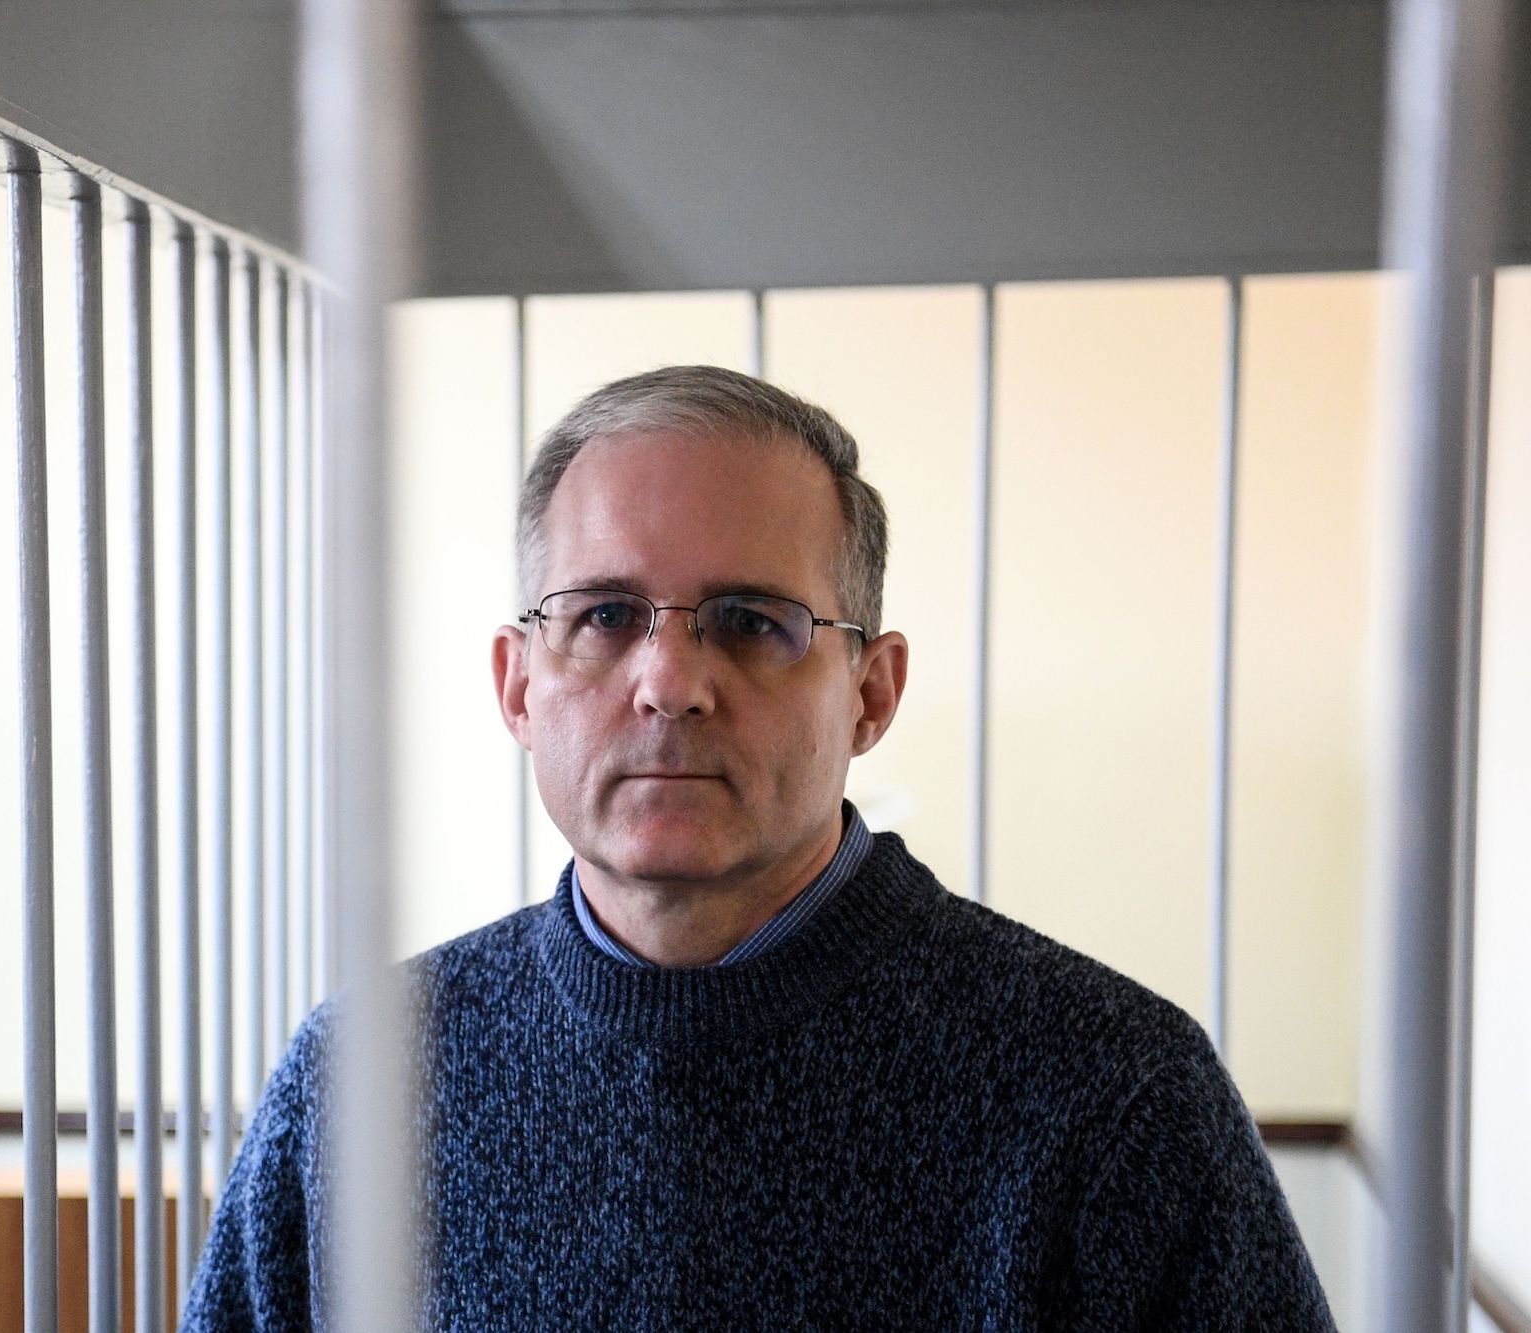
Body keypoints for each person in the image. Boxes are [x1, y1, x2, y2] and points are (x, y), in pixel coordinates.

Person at [181, 365, 1336, 1330]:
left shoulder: (1114, 1099)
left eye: (751, 621)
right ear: (518, 684)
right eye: (603, 615)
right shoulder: (361, 1080)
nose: (671, 682)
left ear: (870, 693)